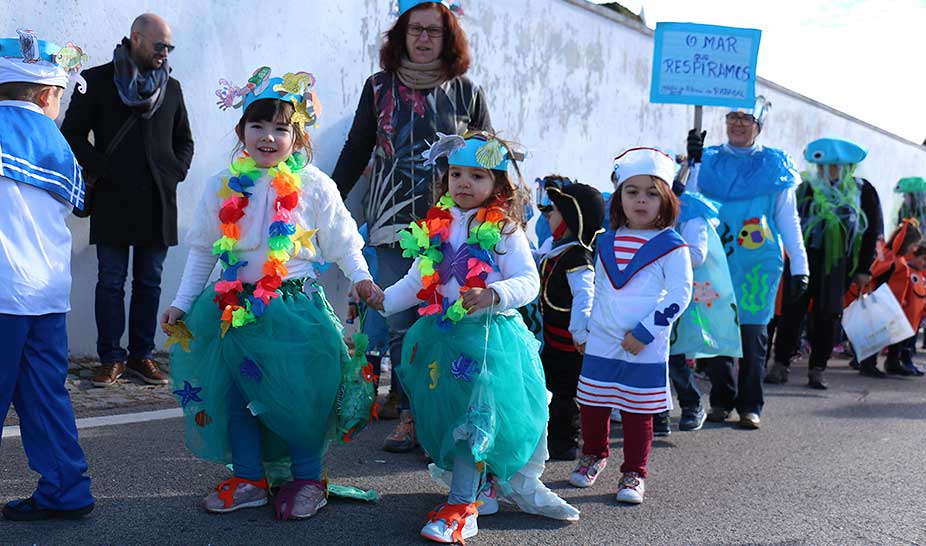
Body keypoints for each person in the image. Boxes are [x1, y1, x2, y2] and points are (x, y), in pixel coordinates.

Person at [159, 67, 381, 519]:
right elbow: (203, 250)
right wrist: (182, 302)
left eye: (281, 128)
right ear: (241, 130)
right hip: (235, 308)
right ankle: (249, 478)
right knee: (237, 396)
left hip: (295, 308)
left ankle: (306, 478)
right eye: (257, 126)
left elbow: (343, 241)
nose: (268, 137)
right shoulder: (222, 184)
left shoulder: (315, 185)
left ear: (297, 136)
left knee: (299, 397)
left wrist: (361, 277)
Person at [372, 132, 578, 543]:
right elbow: (418, 281)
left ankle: (462, 507)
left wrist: (493, 294)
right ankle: (484, 488)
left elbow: (528, 282)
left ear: (498, 186)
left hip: (489, 341)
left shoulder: (503, 229)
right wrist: (381, 299)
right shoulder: (437, 226)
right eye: (456, 174)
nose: (463, 183)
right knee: (453, 417)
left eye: (477, 176)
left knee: (476, 420)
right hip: (443, 337)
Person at [332, 0, 491, 453]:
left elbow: (486, 157)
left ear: (448, 39)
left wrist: (496, 213)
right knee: (399, 318)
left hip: (453, 226)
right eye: (415, 29)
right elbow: (357, 147)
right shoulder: (378, 87)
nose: (423, 38)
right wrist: (326, 200)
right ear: (401, 35)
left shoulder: (466, 92)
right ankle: (408, 413)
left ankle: (444, 408)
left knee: (443, 318)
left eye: (433, 31)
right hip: (391, 220)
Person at [61, 13, 194, 388]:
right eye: (159, 45)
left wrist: (173, 173)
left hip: (157, 200)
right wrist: (102, 168)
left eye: (169, 47)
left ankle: (141, 356)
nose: (165, 53)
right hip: (113, 199)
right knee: (111, 282)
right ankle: (110, 359)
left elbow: (185, 141)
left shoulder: (173, 87)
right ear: (136, 39)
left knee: (150, 282)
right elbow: (70, 135)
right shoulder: (96, 81)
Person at [0, 29, 94, 521]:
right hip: (47, 293)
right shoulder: (58, 145)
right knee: (45, 397)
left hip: (0, 291)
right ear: (44, 95)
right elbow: (74, 205)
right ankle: (66, 490)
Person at [570, 147, 692, 505]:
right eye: (632, 191)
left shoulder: (673, 245)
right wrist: (585, 328)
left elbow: (680, 294)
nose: (641, 200)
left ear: (667, 199)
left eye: (652, 193)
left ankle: (635, 472)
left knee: (638, 411)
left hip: (645, 343)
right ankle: (594, 454)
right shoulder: (604, 241)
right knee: (593, 404)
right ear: (618, 196)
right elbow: (595, 288)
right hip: (602, 339)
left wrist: (644, 332)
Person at [686, 96, 809, 429]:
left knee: (753, 333)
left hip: (759, 262)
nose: (739, 124)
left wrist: (801, 267)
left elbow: (789, 220)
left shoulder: (775, 165)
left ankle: (750, 404)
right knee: (716, 328)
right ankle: (722, 400)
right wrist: (692, 163)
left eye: (747, 119)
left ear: (758, 125)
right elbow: (690, 203)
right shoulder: (706, 161)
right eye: (733, 117)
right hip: (715, 259)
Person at [767, 138, 882, 389]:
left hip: (839, 265)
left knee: (828, 315)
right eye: (822, 166)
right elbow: (786, 221)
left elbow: (872, 231)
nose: (825, 171)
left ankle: (818, 368)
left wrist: (864, 268)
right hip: (802, 260)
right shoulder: (805, 188)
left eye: (832, 166)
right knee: (791, 311)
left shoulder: (863, 191)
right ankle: (781, 363)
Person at [660, 180, 742, 434]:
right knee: (656, 354)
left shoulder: (692, 212)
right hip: (651, 291)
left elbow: (697, 255)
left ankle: (691, 403)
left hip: (685, 295)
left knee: (675, 354)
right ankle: (657, 412)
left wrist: (661, 248)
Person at [535, 177, 605, 460]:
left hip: (569, 342)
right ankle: (552, 436)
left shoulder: (578, 258)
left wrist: (580, 332)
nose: (548, 215)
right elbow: (536, 258)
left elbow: (585, 297)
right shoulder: (557, 250)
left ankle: (566, 444)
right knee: (549, 387)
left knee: (566, 393)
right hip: (552, 338)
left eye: (555, 211)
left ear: (571, 221)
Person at [846, 220, 926, 377]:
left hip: (893, 305)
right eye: (913, 245)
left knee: (891, 335)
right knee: (876, 335)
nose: (914, 249)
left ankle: (892, 362)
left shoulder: (895, 258)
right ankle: (868, 365)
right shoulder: (891, 259)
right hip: (883, 305)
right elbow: (878, 279)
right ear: (906, 243)